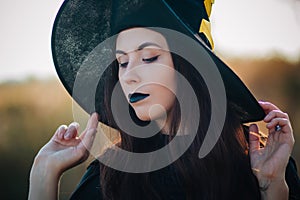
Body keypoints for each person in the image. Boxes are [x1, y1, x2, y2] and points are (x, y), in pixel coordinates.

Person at [29, 0, 300, 199]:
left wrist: (271, 186)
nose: (129, 77)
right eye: (122, 62)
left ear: (191, 65)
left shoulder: (261, 164)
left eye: (149, 57)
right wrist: (44, 173)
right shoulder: (109, 178)